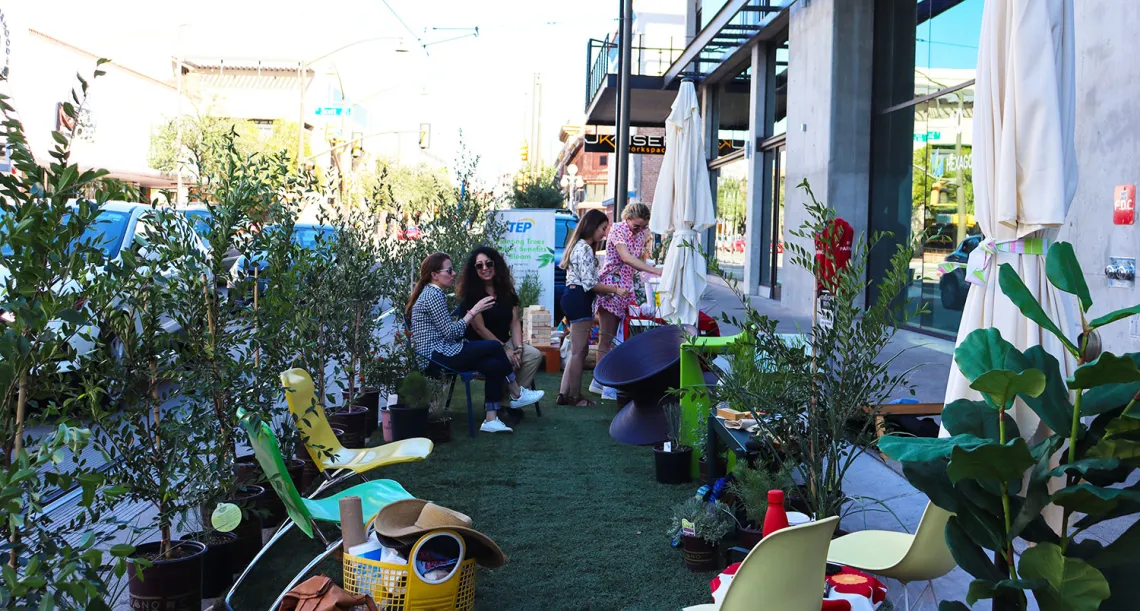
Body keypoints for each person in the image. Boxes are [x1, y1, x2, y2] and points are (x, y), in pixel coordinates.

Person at [407, 252, 544, 433]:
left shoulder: (433, 293)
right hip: (436, 356)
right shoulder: (434, 295)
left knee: (494, 365)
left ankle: (490, 419)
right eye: (449, 270)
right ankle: (516, 392)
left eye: (453, 270)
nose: (453, 273)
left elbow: (447, 332)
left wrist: (517, 348)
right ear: (435, 274)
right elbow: (450, 334)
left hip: (442, 351)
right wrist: (473, 312)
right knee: (495, 347)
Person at [457, 246, 543, 410]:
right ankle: (509, 401)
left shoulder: (505, 290)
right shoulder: (472, 295)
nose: (485, 269)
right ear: (474, 270)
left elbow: (515, 321)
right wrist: (504, 349)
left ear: (495, 264)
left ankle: (507, 401)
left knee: (533, 355)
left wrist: (518, 348)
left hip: (505, 341)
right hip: (481, 346)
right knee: (503, 360)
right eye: (479, 266)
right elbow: (480, 329)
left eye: (488, 264)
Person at [557, 209, 628, 406]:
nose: (605, 233)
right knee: (580, 351)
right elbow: (590, 284)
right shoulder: (585, 249)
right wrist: (615, 290)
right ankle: (575, 397)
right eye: (603, 228)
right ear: (592, 226)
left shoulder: (577, 246)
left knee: (576, 350)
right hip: (579, 298)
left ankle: (564, 394)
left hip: (571, 296)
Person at [592, 203, 662, 398]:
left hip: (627, 288)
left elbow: (639, 258)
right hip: (611, 287)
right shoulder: (618, 230)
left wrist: (648, 266)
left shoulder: (640, 233)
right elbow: (627, 258)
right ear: (627, 219)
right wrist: (655, 271)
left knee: (621, 337)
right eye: (636, 226)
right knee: (606, 338)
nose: (640, 230)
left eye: (644, 227)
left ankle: (603, 381)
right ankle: (602, 382)